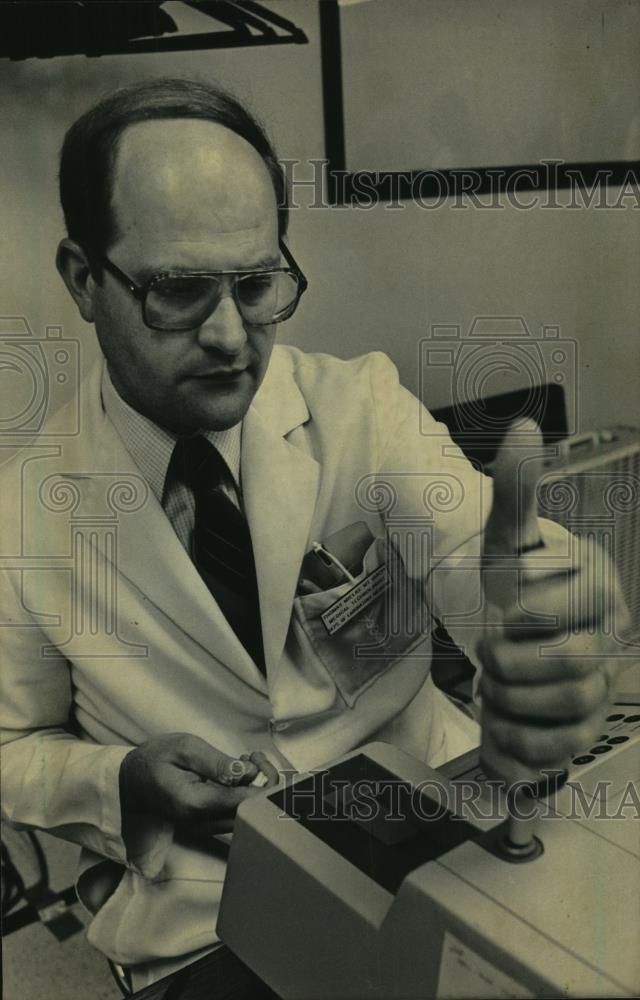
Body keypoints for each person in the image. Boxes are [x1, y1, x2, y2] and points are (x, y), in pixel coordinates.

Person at [0, 78, 627, 989]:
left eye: (256, 284)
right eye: (177, 292)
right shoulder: (23, 510)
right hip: (209, 905)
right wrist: (118, 782)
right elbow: (11, 748)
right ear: (83, 278)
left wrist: (547, 615)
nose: (229, 335)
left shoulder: (357, 404)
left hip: (430, 813)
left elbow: (472, 552)